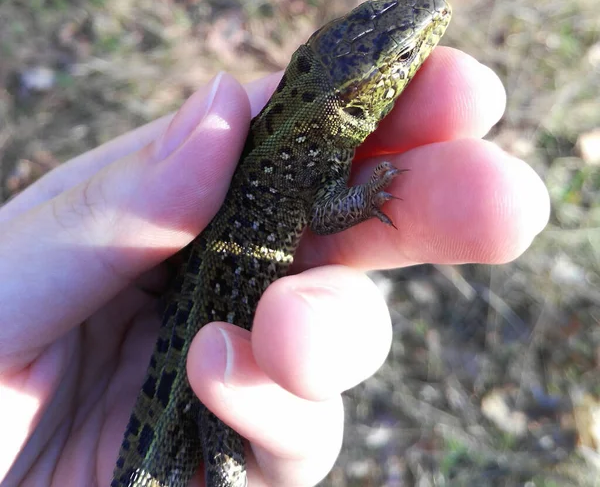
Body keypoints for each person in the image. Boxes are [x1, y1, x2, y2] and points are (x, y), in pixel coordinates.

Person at [0, 47, 549, 486]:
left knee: (233, 408)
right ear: (356, 106)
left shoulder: (290, 133)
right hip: (194, 377)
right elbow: (331, 215)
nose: (421, 44)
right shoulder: (310, 146)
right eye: (402, 62)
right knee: (227, 442)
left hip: (184, 347)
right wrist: (366, 197)